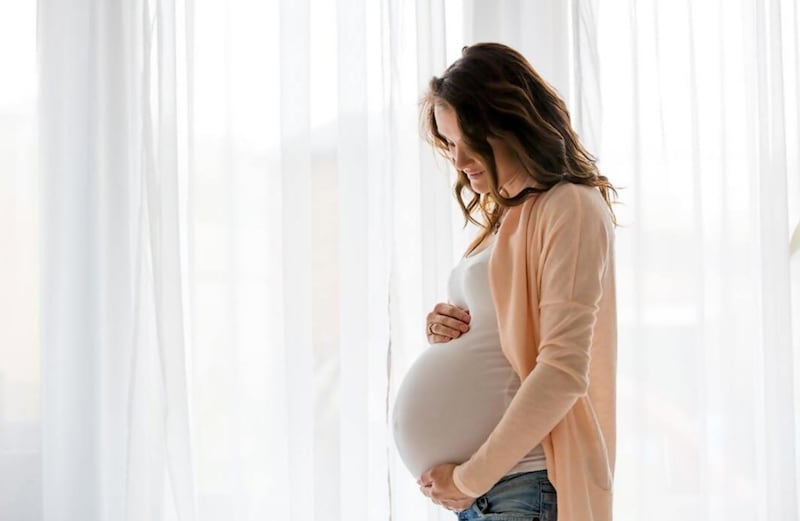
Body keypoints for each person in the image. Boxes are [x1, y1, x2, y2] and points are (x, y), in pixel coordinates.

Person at [415, 42, 618, 521]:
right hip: (494, 492)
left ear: (511, 122)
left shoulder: (570, 206)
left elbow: (562, 371)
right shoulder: (506, 218)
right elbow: (502, 339)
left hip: (524, 483)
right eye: (448, 143)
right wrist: (441, 331)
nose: (458, 159)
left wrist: (468, 479)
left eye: (469, 138)